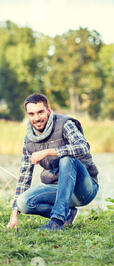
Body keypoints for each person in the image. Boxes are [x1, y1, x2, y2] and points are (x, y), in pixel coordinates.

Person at [7, 93, 99, 231]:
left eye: (40, 112)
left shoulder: (65, 124)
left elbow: (83, 146)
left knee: (67, 159)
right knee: (23, 203)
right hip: (59, 189)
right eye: (31, 114)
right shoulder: (29, 141)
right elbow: (24, 178)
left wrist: (47, 152)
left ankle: (56, 222)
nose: (36, 118)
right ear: (28, 115)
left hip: (84, 189)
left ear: (48, 111)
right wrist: (14, 215)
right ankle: (67, 214)